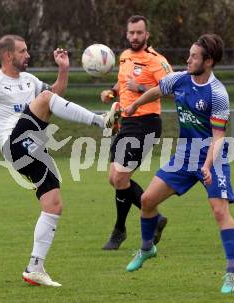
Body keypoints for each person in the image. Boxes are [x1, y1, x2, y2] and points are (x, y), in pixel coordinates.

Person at [0, 35, 120, 287]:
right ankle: (101, 121)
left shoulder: (30, 80)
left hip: (33, 148)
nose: (27, 55)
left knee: (53, 204)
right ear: (9, 56)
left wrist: (63, 70)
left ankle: (35, 267)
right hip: (14, 144)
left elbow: (56, 99)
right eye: (22, 51)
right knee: (44, 99)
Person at [124, 34, 234, 294]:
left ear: (209, 61)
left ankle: (233, 272)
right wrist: (134, 105)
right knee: (146, 201)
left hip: (213, 157)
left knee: (220, 212)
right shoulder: (180, 79)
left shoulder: (218, 93)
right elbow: (158, 89)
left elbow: (219, 137)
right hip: (184, 156)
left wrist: (208, 164)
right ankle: (147, 249)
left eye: (194, 56)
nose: (188, 59)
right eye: (188, 54)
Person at [100, 15, 172, 250]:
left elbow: (170, 89)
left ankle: (121, 230)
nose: (134, 36)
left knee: (121, 178)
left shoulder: (156, 61)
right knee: (114, 178)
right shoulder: (124, 56)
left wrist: (140, 87)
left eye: (139, 33)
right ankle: (154, 217)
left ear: (147, 35)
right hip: (126, 122)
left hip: (146, 122)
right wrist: (111, 92)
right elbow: (122, 84)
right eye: (131, 32)